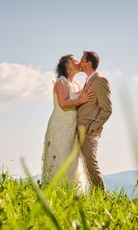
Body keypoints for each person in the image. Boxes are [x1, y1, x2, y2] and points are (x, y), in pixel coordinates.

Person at [42, 54, 93, 185]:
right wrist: (80, 99)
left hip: (72, 127)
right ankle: (56, 189)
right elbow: (63, 104)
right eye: (75, 61)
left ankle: (70, 192)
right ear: (67, 65)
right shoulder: (61, 82)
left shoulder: (76, 84)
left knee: (72, 160)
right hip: (60, 126)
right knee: (60, 157)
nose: (78, 63)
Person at [77, 51, 112, 190]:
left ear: (89, 63)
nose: (80, 63)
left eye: (82, 60)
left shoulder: (100, 81)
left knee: (90, 163)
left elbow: (107, 109)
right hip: (81, 129)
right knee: (86, 164)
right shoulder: (88, 81)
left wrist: (92, 127)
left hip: (90, 131)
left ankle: (102, 198)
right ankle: (95, 197)